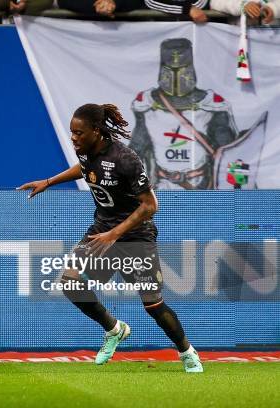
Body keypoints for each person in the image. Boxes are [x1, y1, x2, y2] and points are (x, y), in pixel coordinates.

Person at [18, 103, 203, 373]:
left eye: (79, 133)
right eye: (72, 132)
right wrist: (48, 181)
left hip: (134, 237)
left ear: (96, 131)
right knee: (70, 283)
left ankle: (187, 352)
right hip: (101, 232)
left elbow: (151, 206)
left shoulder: (125, 159)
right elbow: (85, 169)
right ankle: (114, 329)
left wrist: (114, 234)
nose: (74, 138)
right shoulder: (86, 150)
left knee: (153, 304)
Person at [130, 38, 239, 189]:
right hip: (162, 185)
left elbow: (227, 153)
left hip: (200, 185)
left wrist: (236, 185)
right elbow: (137, 148)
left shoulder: (210, 105)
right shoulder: (148, 104)